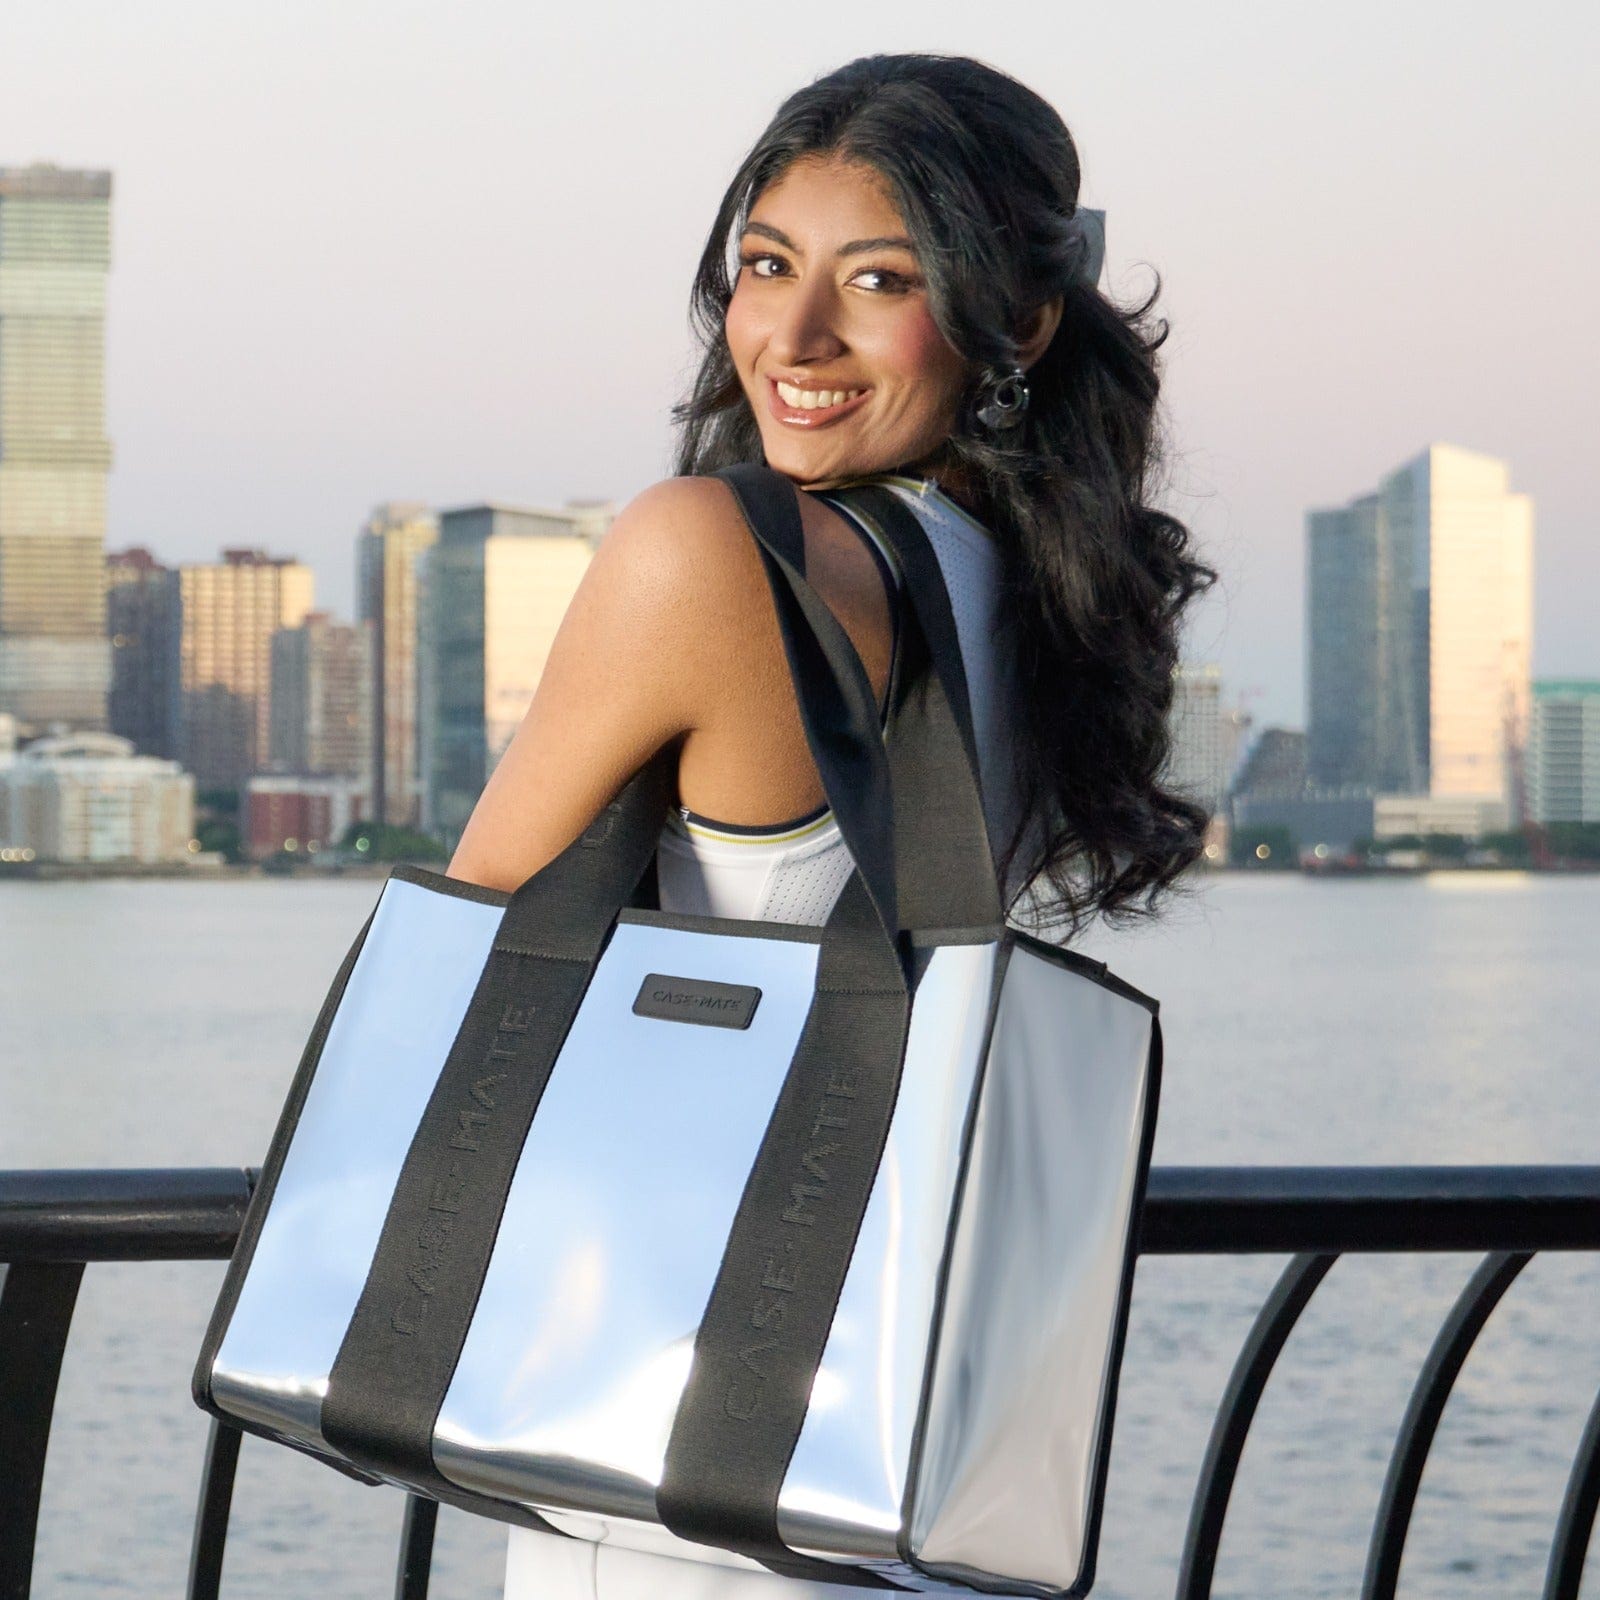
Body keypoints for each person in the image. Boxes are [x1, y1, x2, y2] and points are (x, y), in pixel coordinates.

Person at [447, 50, 1213, 1600]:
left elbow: (468, 949)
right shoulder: (1039, 594)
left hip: (679, 1469)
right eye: (764, 267)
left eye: (878, 281)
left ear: (1018, 320)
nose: (792, 336)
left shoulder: (717, 549)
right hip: (900, 1453)